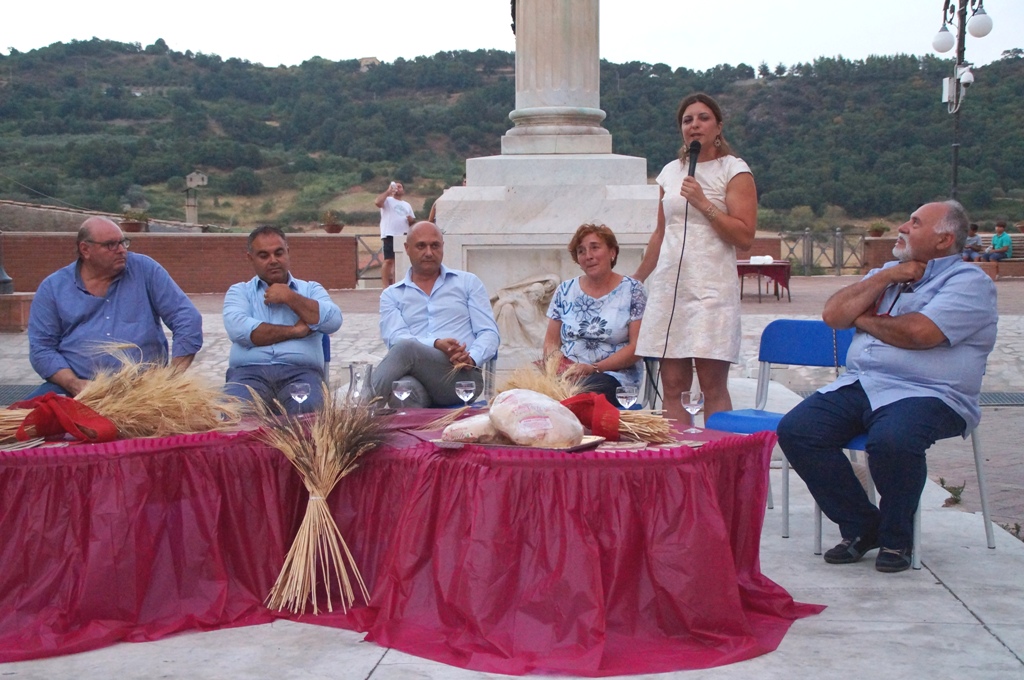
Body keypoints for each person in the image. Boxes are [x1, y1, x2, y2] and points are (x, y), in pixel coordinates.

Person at [777, 200, 997, 574]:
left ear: (943, 239)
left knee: (892, 440)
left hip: (931, 392)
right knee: (798, 431)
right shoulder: (888, 272)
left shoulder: (970, 283)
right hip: (865, 383)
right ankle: (864, 527)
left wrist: (861, 320)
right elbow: (833, 315)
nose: (903, 227)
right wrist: (885, 278)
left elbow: (918, 333)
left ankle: (898, 538)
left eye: (915, 223)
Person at [633, 92, 757, 423]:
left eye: (703, 118)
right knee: (673, 385)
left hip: (711, 291)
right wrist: (636, 279)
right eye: (687, 120)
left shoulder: (734, 170)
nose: (694, 125)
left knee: (711, 384)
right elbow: (661, 234)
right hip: (671, 289)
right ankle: (679, 465)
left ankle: (717, 465)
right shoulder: (670, 172)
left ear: (718, 127)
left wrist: (704, 203)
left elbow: (744, 237)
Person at [27, 216, 202, 397]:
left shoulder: (146, 270)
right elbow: (41, 348)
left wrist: (170, 378)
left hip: (144, 391)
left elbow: (187, 318)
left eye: (123, 242)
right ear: (85, 249)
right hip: (77, 389)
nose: (121, 250)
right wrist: (74, 384)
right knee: (30, 419)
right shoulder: (53, 288)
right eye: (111, 245)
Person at [371, 221, 499, 408]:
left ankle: (357, 416)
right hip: (416, 378)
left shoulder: (467, 283)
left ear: (442, 247)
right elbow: (395, 339)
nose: (429, 252)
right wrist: (436, 344)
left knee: (406, 349)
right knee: (404, 391)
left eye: (435, 245)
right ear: (407, 248)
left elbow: (489, 332)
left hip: (461, 377)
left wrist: (471, 357)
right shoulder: (392, 295)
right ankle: (420, 437)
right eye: (421, 246)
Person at [223, 226, 342, 414]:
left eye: (279, 253)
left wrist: (289, 297)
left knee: (308, 409)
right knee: (236, 412)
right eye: (264, 256)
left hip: (301, 373)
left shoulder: (310, 289)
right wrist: (295, 331)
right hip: (248, 374)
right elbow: (241, 330)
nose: (273, 261)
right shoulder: (240, 292)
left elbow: (333, 320)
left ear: (288, 252)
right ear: (250, 258)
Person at [544, 224, 647, 405]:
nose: (588, 256)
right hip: (567, 375)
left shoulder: (633, 290)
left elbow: (637, 347)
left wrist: (593, 368)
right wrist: (558, 369)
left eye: (595, 247)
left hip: (612, 376)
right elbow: (551, 342)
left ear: (612, 252)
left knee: (585, 391)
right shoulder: (565, 290)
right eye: (581, 251)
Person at [375, 181, 416, 288]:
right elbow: (378, 202)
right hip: (390, 233)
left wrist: (411, 220)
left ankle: (397, 283)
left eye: (400, 186)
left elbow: (413, 222)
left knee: (400, 261)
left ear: (403, 190)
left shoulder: (407, 205)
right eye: (396, 186)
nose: (398, 188)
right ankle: (385, 286)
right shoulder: (388, 200)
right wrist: (388, 191)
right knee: (389, 260)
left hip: (404, 235)